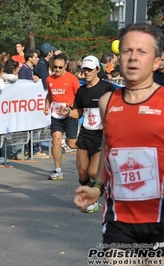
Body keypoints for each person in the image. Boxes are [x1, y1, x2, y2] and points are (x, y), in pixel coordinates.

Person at [74, 23, 164, 265]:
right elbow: (108, 148)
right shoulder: (107, 102)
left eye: (142, 51)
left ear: (157, 62)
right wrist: (98, 187)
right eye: (127, 51)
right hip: (119, 220)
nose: (133, 57)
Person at [59, 55, 115, 213]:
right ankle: (90, 198)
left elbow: (116, 110)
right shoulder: (81, 90)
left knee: (92, 171)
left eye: (90, 69)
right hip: (85, 133)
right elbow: (78, 112)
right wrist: (68, 112)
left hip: (101, 135)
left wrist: (108, 122)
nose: (87, 72)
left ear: (98, 69)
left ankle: (95, 194)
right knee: (82, 170)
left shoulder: (107, 88)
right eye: (84, 69)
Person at [43, 53, 80, 180]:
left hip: (70, 114)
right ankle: (58, 170)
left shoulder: (72, 79)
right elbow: (49, 94)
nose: (57, 70)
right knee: (56, 140)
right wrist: (46, 106)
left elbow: (79, 96)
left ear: (66, 66)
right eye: (55, 67)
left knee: (71, 144)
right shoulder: (49, 79)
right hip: (56, 114)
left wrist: (71, 108)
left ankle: (90, 151)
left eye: (60, 67)